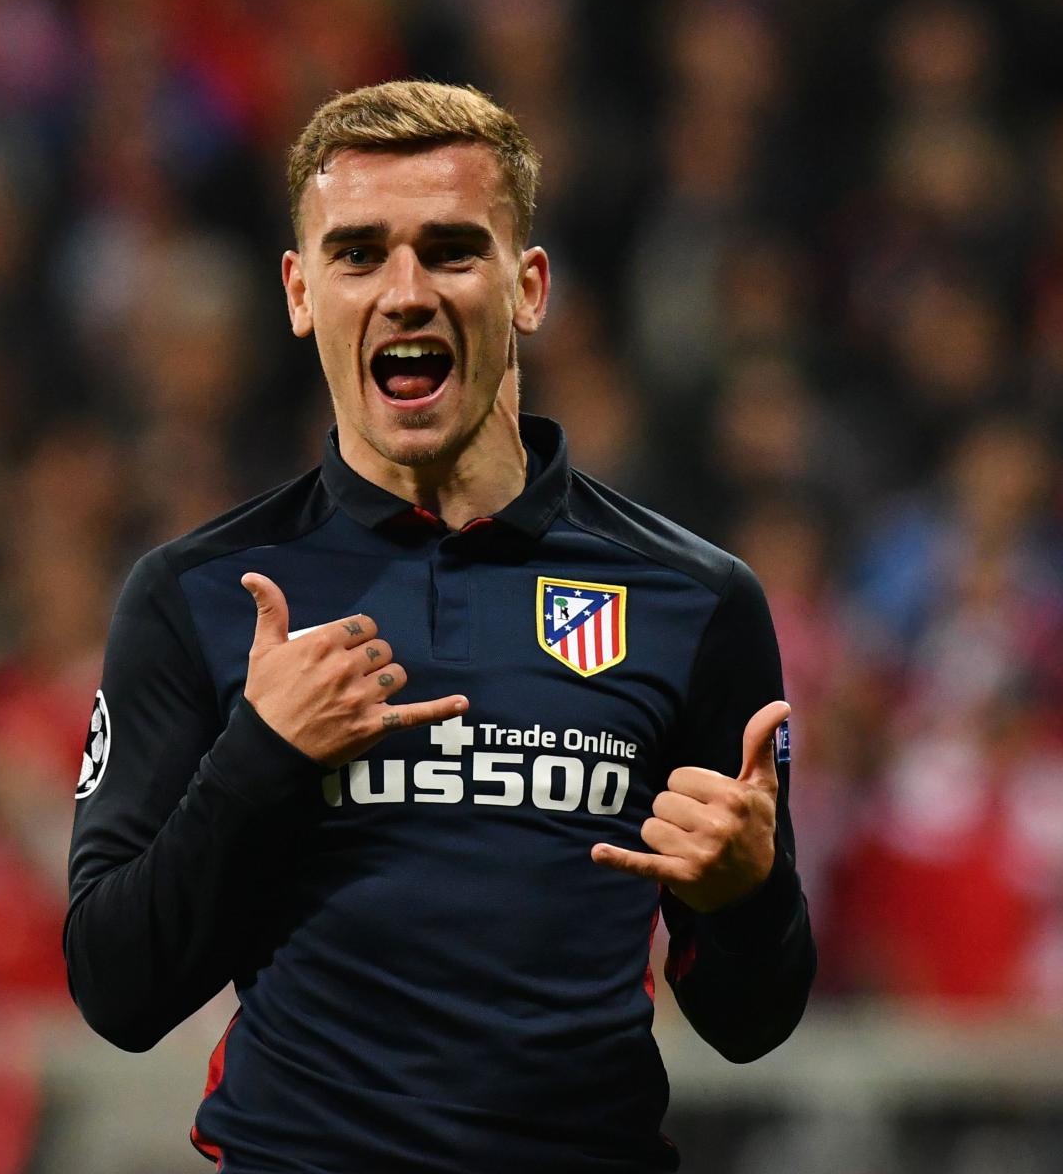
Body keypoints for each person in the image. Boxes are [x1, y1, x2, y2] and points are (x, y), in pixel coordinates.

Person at [65, 80, 816, 1174]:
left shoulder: (693, 601)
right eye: (359, 254)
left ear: (529, 287)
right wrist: (257, 760)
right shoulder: (198, 596)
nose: (405, 291)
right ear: (299, 291)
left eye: (452, 250)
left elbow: (754, 1022)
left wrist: (749, 898)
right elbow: (118, 990)